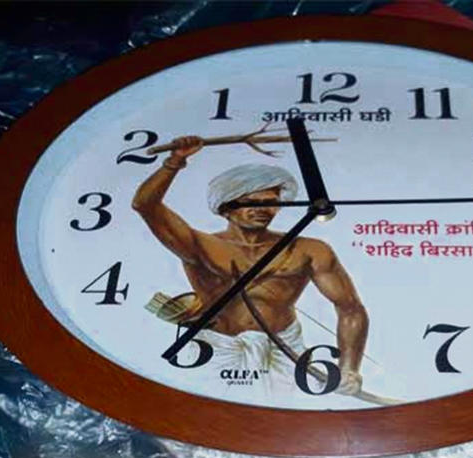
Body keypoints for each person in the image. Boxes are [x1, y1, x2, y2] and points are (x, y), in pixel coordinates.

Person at [132, 136, 368, 396]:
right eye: (251, 202)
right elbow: (145, 205)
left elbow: (350, 308)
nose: (262, 210)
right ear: (226, 208)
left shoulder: (310, 250)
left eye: (271, 203)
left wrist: (349, 370)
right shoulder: (198, 245)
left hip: (284, 348)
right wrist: (175, 161)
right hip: (216, 347)